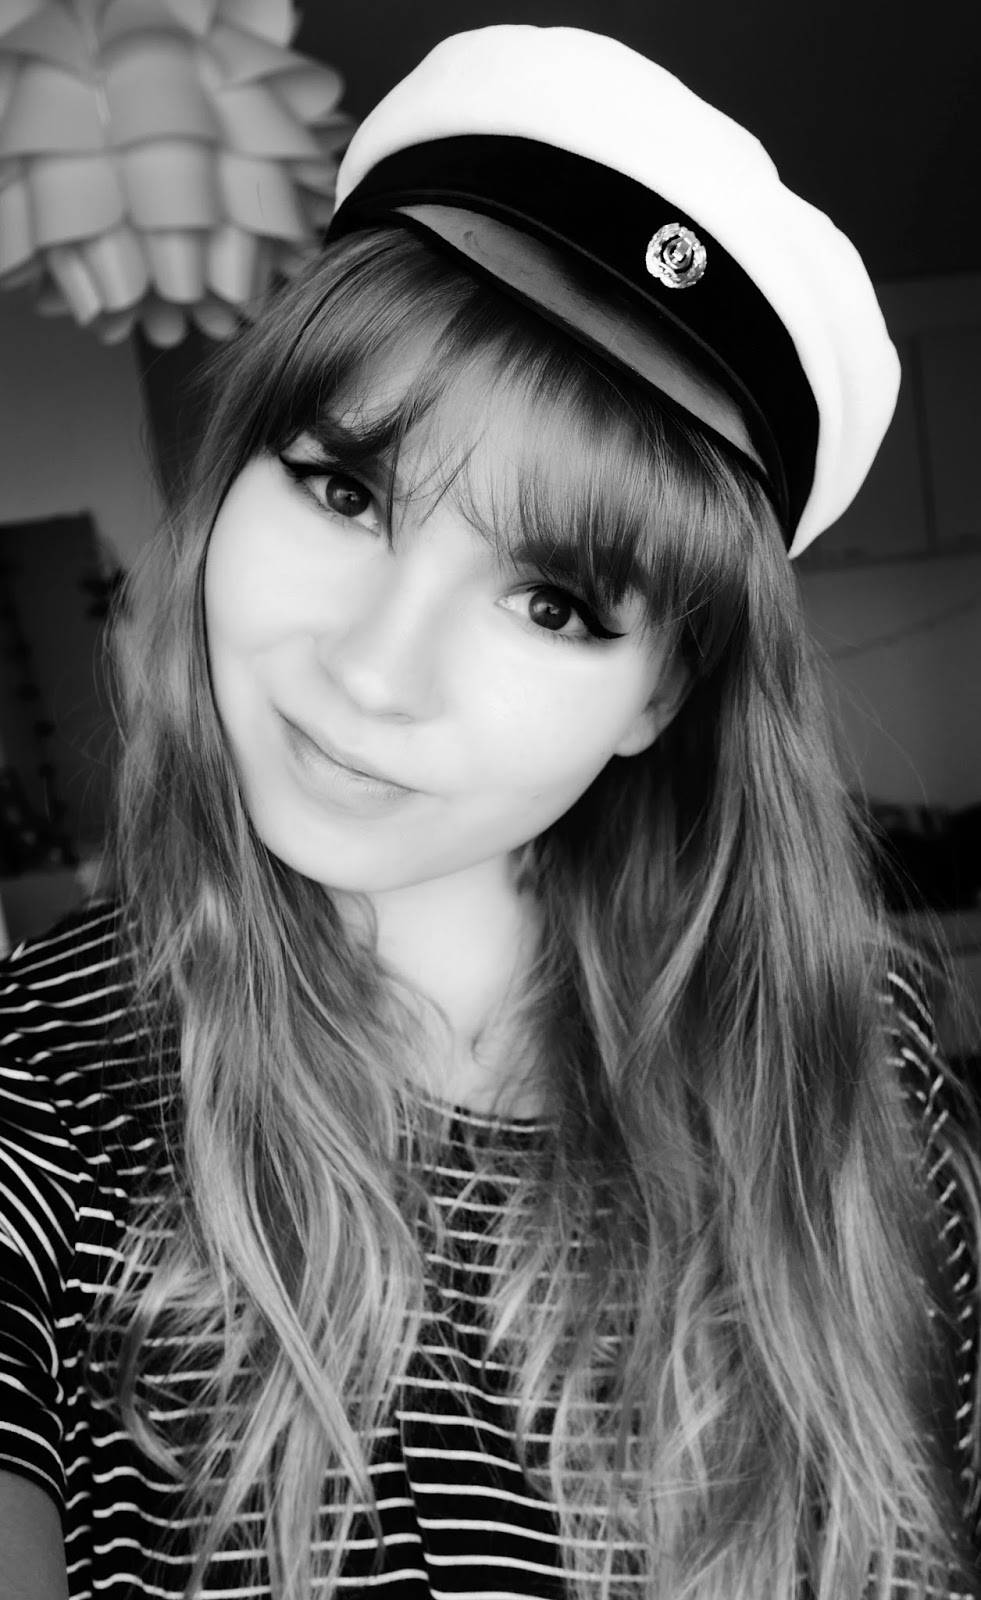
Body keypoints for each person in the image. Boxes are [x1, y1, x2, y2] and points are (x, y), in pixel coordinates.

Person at [0, 22, 979, 1600]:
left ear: (659, 696)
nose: (374, 673)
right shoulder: (45, 1084)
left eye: (552, 602)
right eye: (343, 491)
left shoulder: (853, 1056)